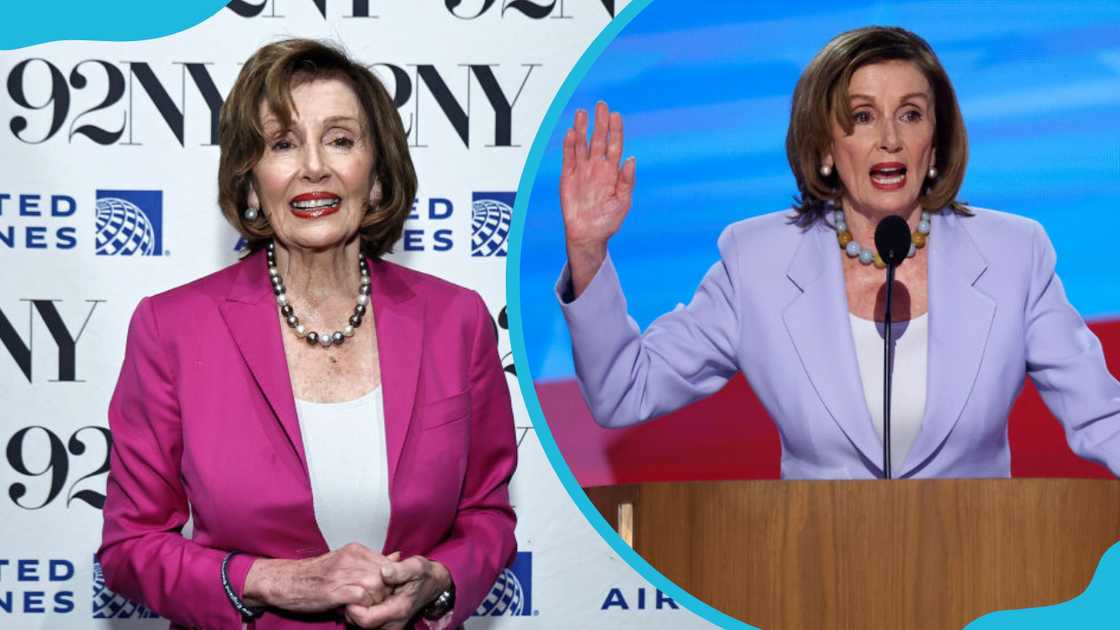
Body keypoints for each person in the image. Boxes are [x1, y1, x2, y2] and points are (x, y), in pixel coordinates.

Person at [556, 26, 1120, 479]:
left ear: (936, 141)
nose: (890, 139)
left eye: (911, 114)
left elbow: (1102, 415)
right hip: (819, 581)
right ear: (825, 145)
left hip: (978, 582)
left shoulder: (1014, 254)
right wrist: (587, 252)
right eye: (862, 116)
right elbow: (623, 393)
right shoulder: (757, 261)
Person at [98, 39, 517, 629]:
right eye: (283, 144)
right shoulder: (172, 329)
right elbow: (129, 548)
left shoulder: (457, 321)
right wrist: (274, 581)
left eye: (341, 140)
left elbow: (488, 517)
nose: (313, 166)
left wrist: (441, 581)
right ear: (250, 182)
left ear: (375, 176)